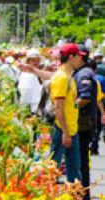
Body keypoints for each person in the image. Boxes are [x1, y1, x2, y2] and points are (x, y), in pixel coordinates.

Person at [49, 42, 83, 186]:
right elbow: (58, 107)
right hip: (63, 130)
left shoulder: (68, 76)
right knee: (52, 169)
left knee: (74, 169)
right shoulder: (62, 77)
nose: (80, 60)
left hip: (70, 129)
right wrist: (65, 132)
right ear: (71, 57)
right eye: (78, 57)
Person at [74, 46, 98, 200]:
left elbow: (85, 98)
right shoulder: (82, 72)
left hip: (83, 124)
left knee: (81, 162)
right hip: (83, 123)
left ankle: (84, 197)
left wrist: (70, 107)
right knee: (80, 161)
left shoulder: (84, 73)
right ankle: (82, 196)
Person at [18, 49, 43, 114]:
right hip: (26, 108)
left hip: (36, 107)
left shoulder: (39, 73)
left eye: (37, 61)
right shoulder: (24, 74)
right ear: (28, 61)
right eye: (33, 60)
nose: (36, 62)